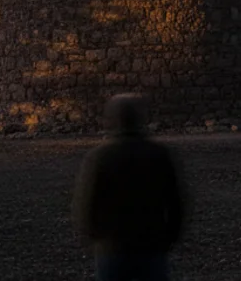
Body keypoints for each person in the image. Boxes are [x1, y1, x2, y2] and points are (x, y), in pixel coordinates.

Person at [73, 94, 186, 281]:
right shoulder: (159, 154)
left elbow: (87, 203)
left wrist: (94, 239)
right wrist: (169, 238)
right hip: (151, 246)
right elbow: (176, 202)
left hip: (112, 249)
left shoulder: (100, 157)